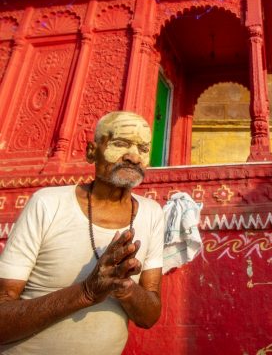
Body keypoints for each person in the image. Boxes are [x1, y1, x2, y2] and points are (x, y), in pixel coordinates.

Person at [0, 111, 164, 354]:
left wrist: (124, 287)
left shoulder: (152, 213)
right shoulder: (47, 203)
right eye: (120, 144)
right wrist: (87, 291)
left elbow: (148, 317)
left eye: (143, 148)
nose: (133, 157)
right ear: (91, 151)